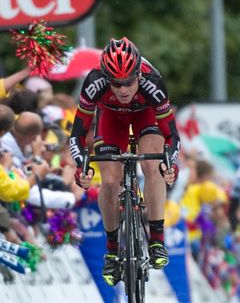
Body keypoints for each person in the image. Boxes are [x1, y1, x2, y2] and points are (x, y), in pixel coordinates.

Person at [69, 37, 180, 286]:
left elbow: (172, 134)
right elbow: (77, 134)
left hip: (146, 116)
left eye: (129, 82)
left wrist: (169, 163)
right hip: (110, 118)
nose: (122, 89)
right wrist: (81, 166)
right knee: (109, 181)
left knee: (152, 166)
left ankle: (157, 239)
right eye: (116, 83)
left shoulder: (153, 83)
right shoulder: (93, 82)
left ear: (139, 73)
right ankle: (111, 250)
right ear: (106, 76)